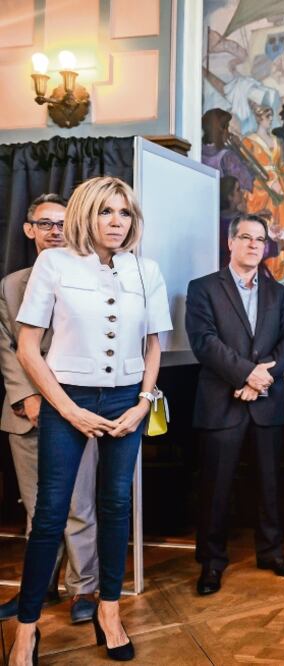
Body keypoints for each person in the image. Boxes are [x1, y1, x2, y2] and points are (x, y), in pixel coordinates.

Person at [9, 176, 172, 664]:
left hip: (128, 398)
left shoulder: (147, 269)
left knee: (117, 506)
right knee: (51, 514)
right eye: (106, 212)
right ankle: (26, 628)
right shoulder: (53, 262)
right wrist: (68, 409)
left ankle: (109, 611)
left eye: (124, 213)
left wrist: (144, 402)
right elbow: (26, 348)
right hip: (67, 397)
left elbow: (154, 344)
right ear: (85, 214)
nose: (116, 222)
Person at [186, 214, 284, 597]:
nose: (254, 245)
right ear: (230, 242)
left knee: (270, 485)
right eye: (246, 237)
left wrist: (263, 377)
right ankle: (212, 563)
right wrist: (247, 375)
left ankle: (271, 552)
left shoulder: (278, 293)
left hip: (266, 402)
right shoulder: (203, 289)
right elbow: (204, 342)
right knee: (215, 488)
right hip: (222, 402)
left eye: (261, 240)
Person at [0, 194, 99, 625]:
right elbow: (7, 348)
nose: (55, 231)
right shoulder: (11, 284)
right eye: (45, 224)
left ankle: (84, 592)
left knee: (79, 505)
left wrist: (64, 403)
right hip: (25, 415)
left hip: (78, 411)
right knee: (37, 509)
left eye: (62, 223)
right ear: (29, 229)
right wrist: (27, 396)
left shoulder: (92, 278)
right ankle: (39, 591)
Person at [243, 103, 284, 280]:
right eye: (268, 117)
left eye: (271, 117)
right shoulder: (248, 141)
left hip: (280, 187)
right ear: (260, 119)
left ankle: (281, 268)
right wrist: (268, 182)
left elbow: (280, 166)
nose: (270, 121)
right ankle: (265, 269)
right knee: (265, 225)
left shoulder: (275, 140)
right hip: (261, 189)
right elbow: (249, 168)